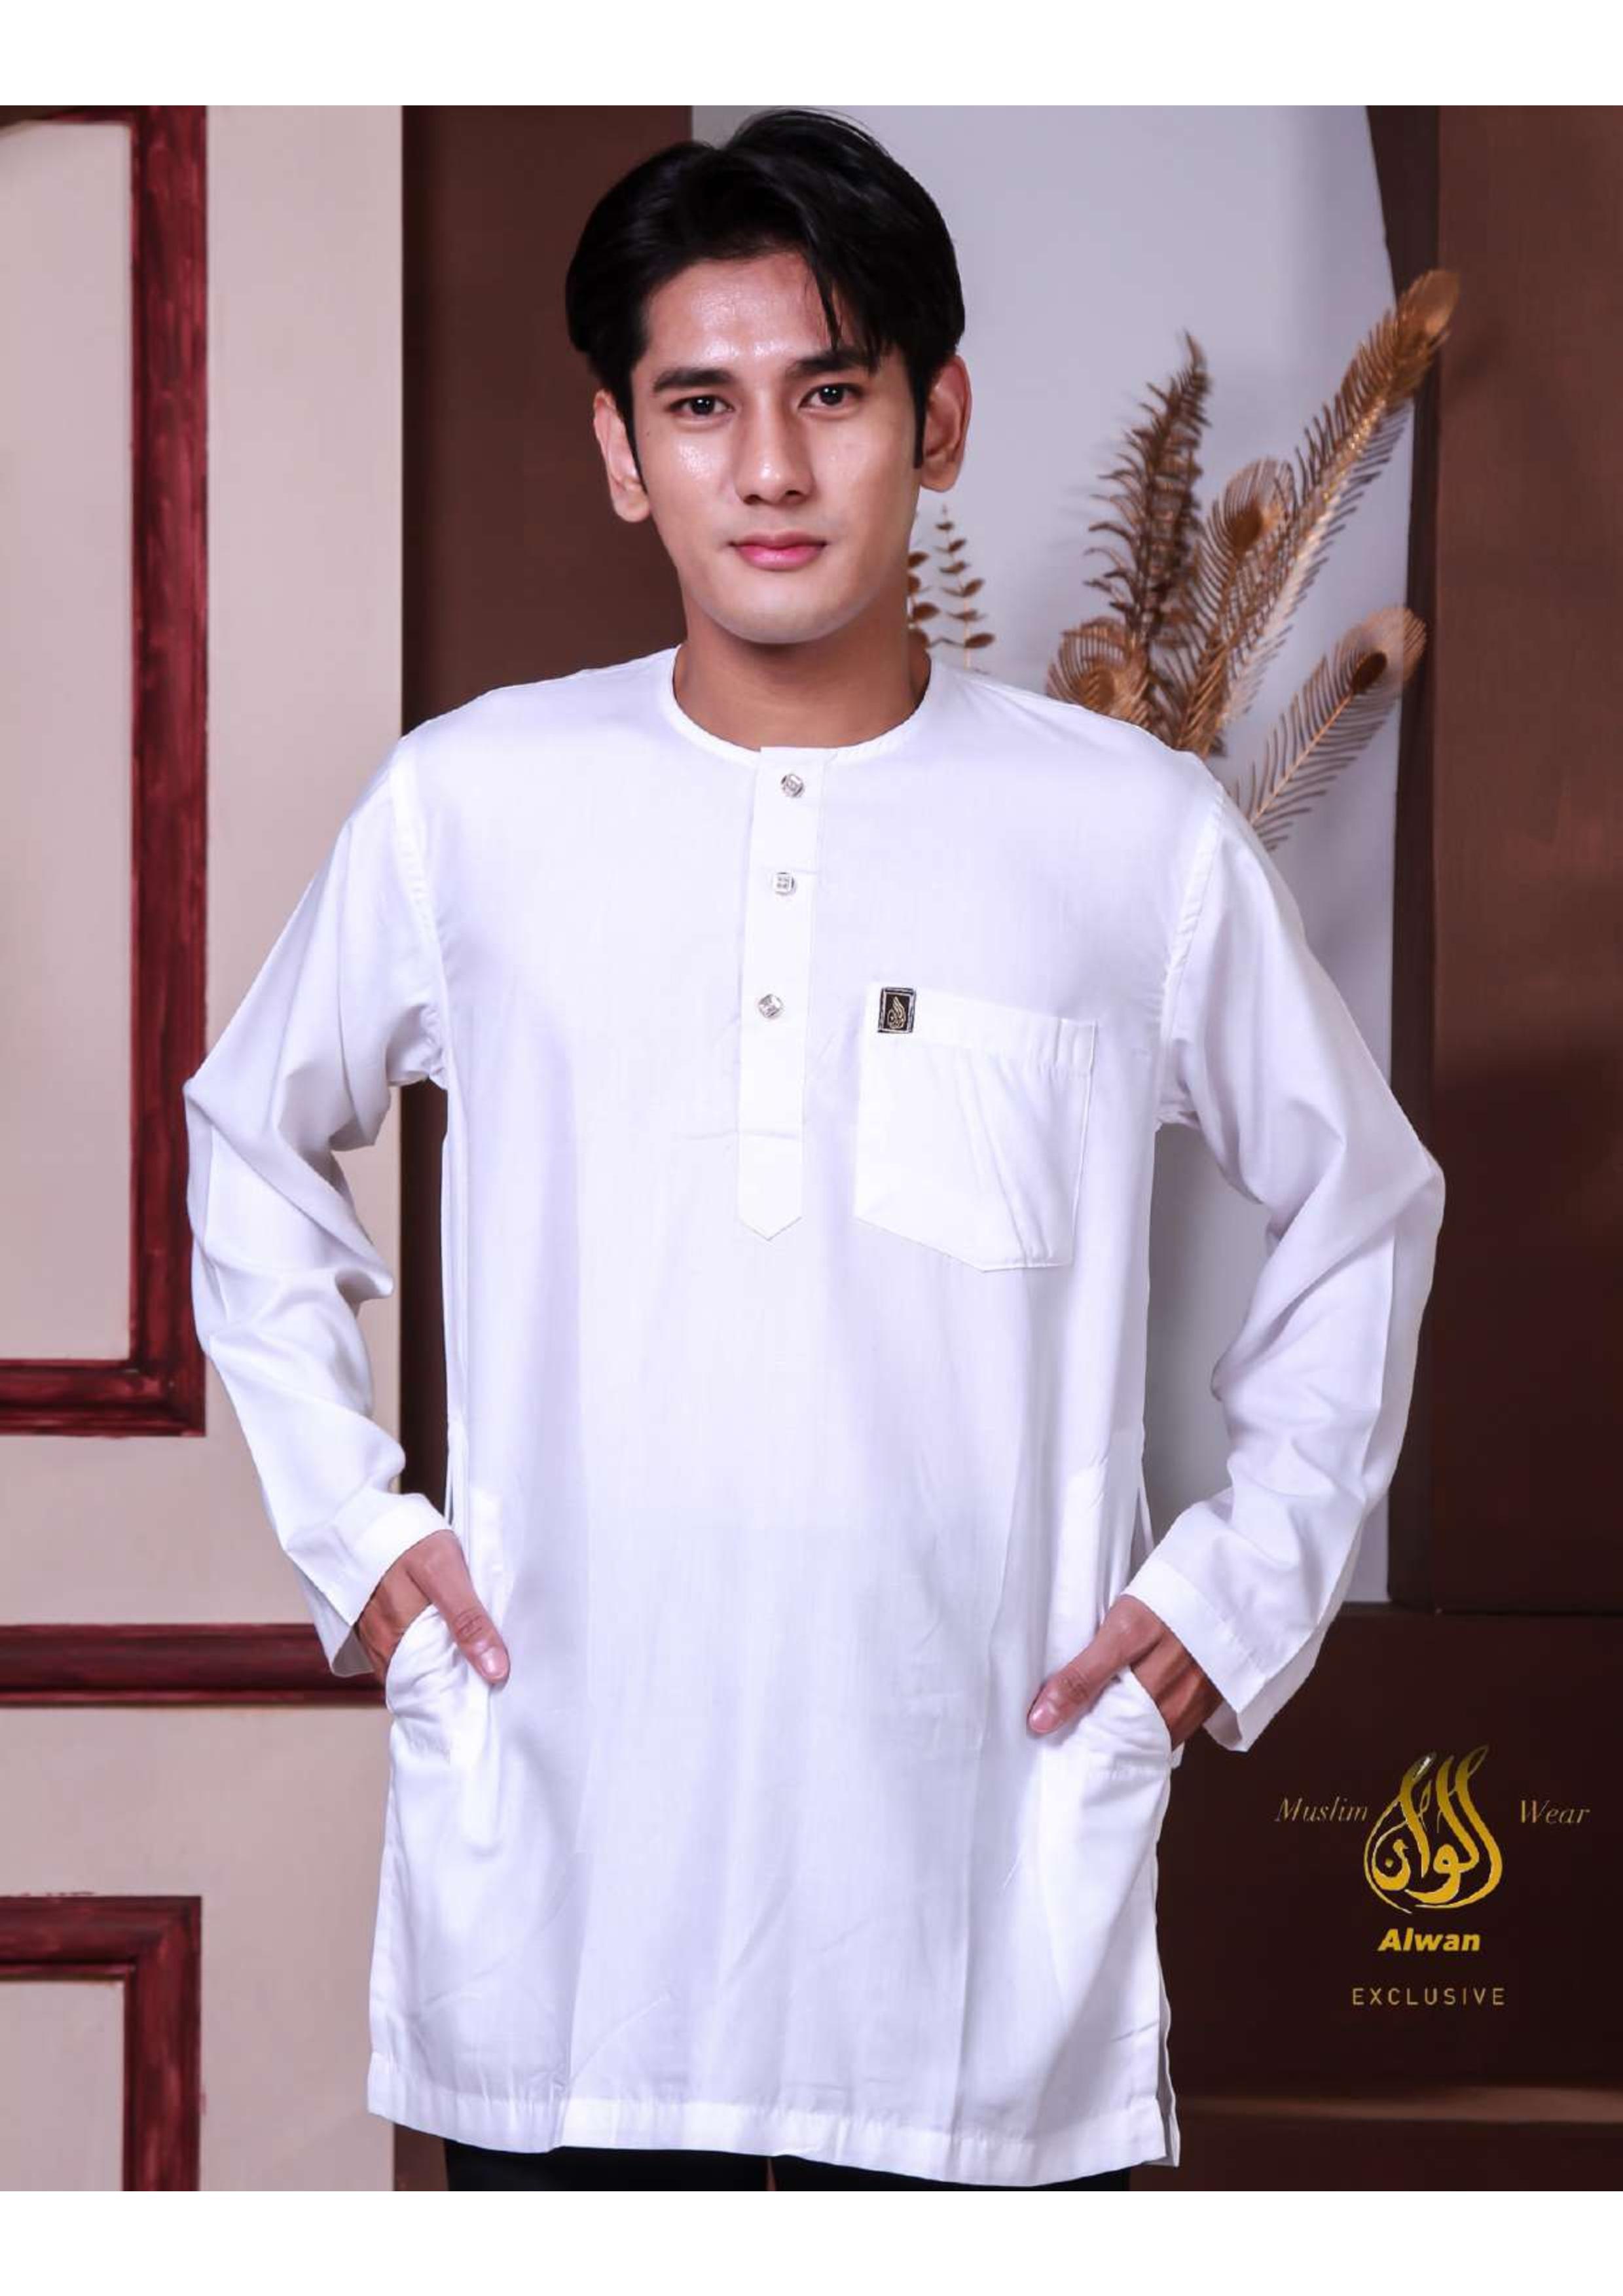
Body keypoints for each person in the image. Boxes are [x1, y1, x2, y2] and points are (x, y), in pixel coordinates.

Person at [180, 106, 1445, 2193]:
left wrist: (1237, 1590)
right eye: (701, 403)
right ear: (623, 450)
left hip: (979, 1929)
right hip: (572, 1917)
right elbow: (249, 1142)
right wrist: (355, 1532)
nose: (769, 467)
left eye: (832, 393)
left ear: (938, 422)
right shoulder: (473, 809)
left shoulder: (1124, 837)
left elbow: (1363, 1198)